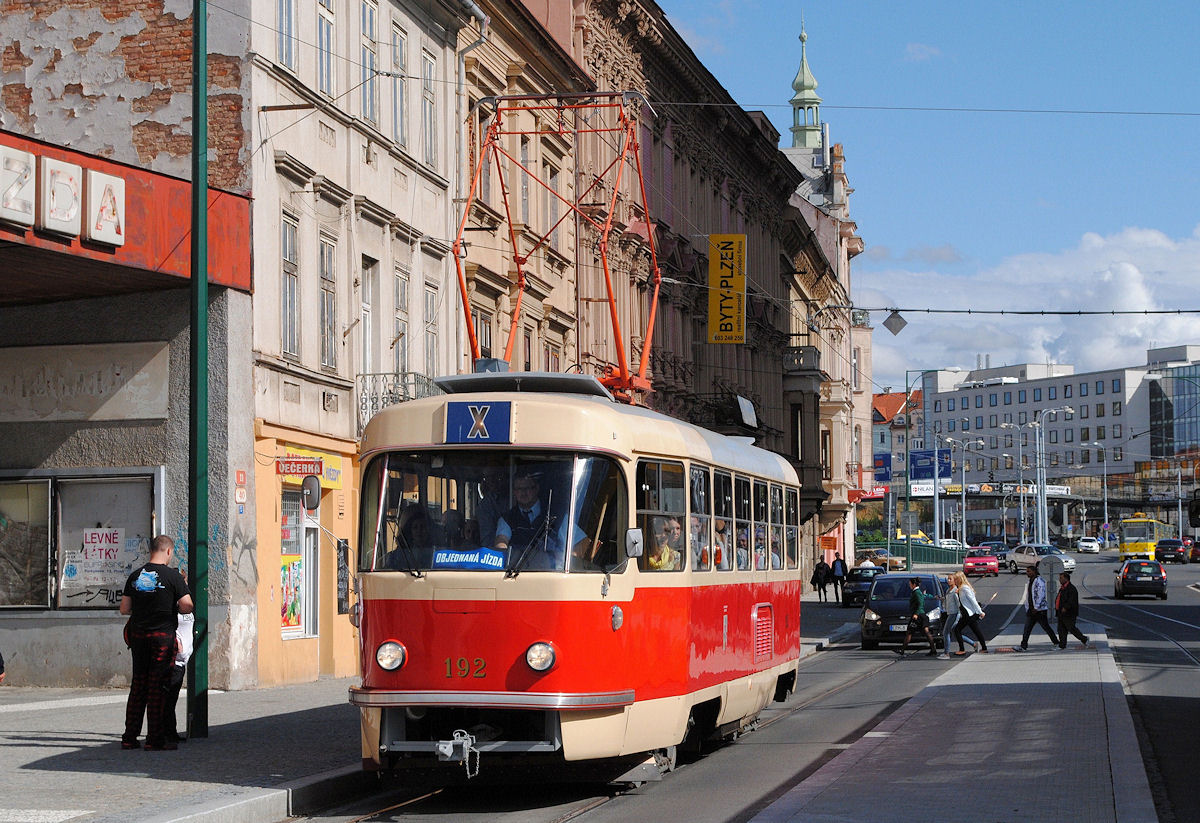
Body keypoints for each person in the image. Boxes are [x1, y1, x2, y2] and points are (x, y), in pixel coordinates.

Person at [120, 535, 193, 751]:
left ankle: (129, 737)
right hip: (162, 636)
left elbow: (124, 608)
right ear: (168, 551)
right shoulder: (173, 577)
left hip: (138, 636)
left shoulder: (135, 576)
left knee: (138, 685)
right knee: (157, 687)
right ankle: (154, 739)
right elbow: (187, 605)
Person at [163, 609, 194, 744]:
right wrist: (176, 643)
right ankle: (166, 734)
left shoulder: (186, 605)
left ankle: (170, 732)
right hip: (172, 660)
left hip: (181, 661)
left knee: (172, 699)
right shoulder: (169, 604)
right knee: (167, 700)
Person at [1016, 564, 1060, 651]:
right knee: (1027, 628)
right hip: (1031, 610)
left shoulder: (1039, 581)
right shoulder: (1030, 582)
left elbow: (1041, 594)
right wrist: (1028, 606)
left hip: (1040, 610)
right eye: (1026, 572)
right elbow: (1029, 595)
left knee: (1046, 627)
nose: (1027, 573)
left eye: (1029, 571)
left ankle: (1057, 643)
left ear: (1034, 571)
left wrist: (1036, 607)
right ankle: (1023, 646)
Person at [895, 577, 938, 657]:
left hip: (918, 616)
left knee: (910, 632)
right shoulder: (917, 592)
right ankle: (933, 650)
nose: (909, 585)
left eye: (910, 584)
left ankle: (902, 650)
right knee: (925, 632)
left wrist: (916, 614)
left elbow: (920, 603)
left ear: (914, 584)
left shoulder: (917, 592)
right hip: (921, 615)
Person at [938, 575, 974, 659]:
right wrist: (941, 599)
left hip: (954, 614)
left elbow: (958, 603)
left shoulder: (955, 591)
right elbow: (948, 600)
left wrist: (959, 614)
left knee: (946, 632)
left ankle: (946, 653)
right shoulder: (948, 590)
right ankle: (973, 643)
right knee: (955, 632)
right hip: (950, 613)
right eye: (948, 579)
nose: (948, 580)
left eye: (950, 579)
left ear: (955, 581)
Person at [953, 572, 989, 654]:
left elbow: (973, 601)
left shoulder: (965, 588)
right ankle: (984, 648)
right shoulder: (960, 588)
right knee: (976, 631)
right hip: (967, 614)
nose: (954, 580)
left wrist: (980, 612)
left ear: (960, 579)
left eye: (955, 579)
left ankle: (962, 650)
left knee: (957, 630)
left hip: (969, 614)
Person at [1055, 571, 1089, 649]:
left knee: (1071, 628)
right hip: (1061, 613)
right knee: (1061, 629)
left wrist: (1065, 607)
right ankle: (1062, 645)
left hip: (1069, 613)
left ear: (1066, 579)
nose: (1059, 580)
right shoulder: (1062, 588)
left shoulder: (1071, 588)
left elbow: (1071, 600)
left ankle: (1084, 639)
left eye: (1061, 578)